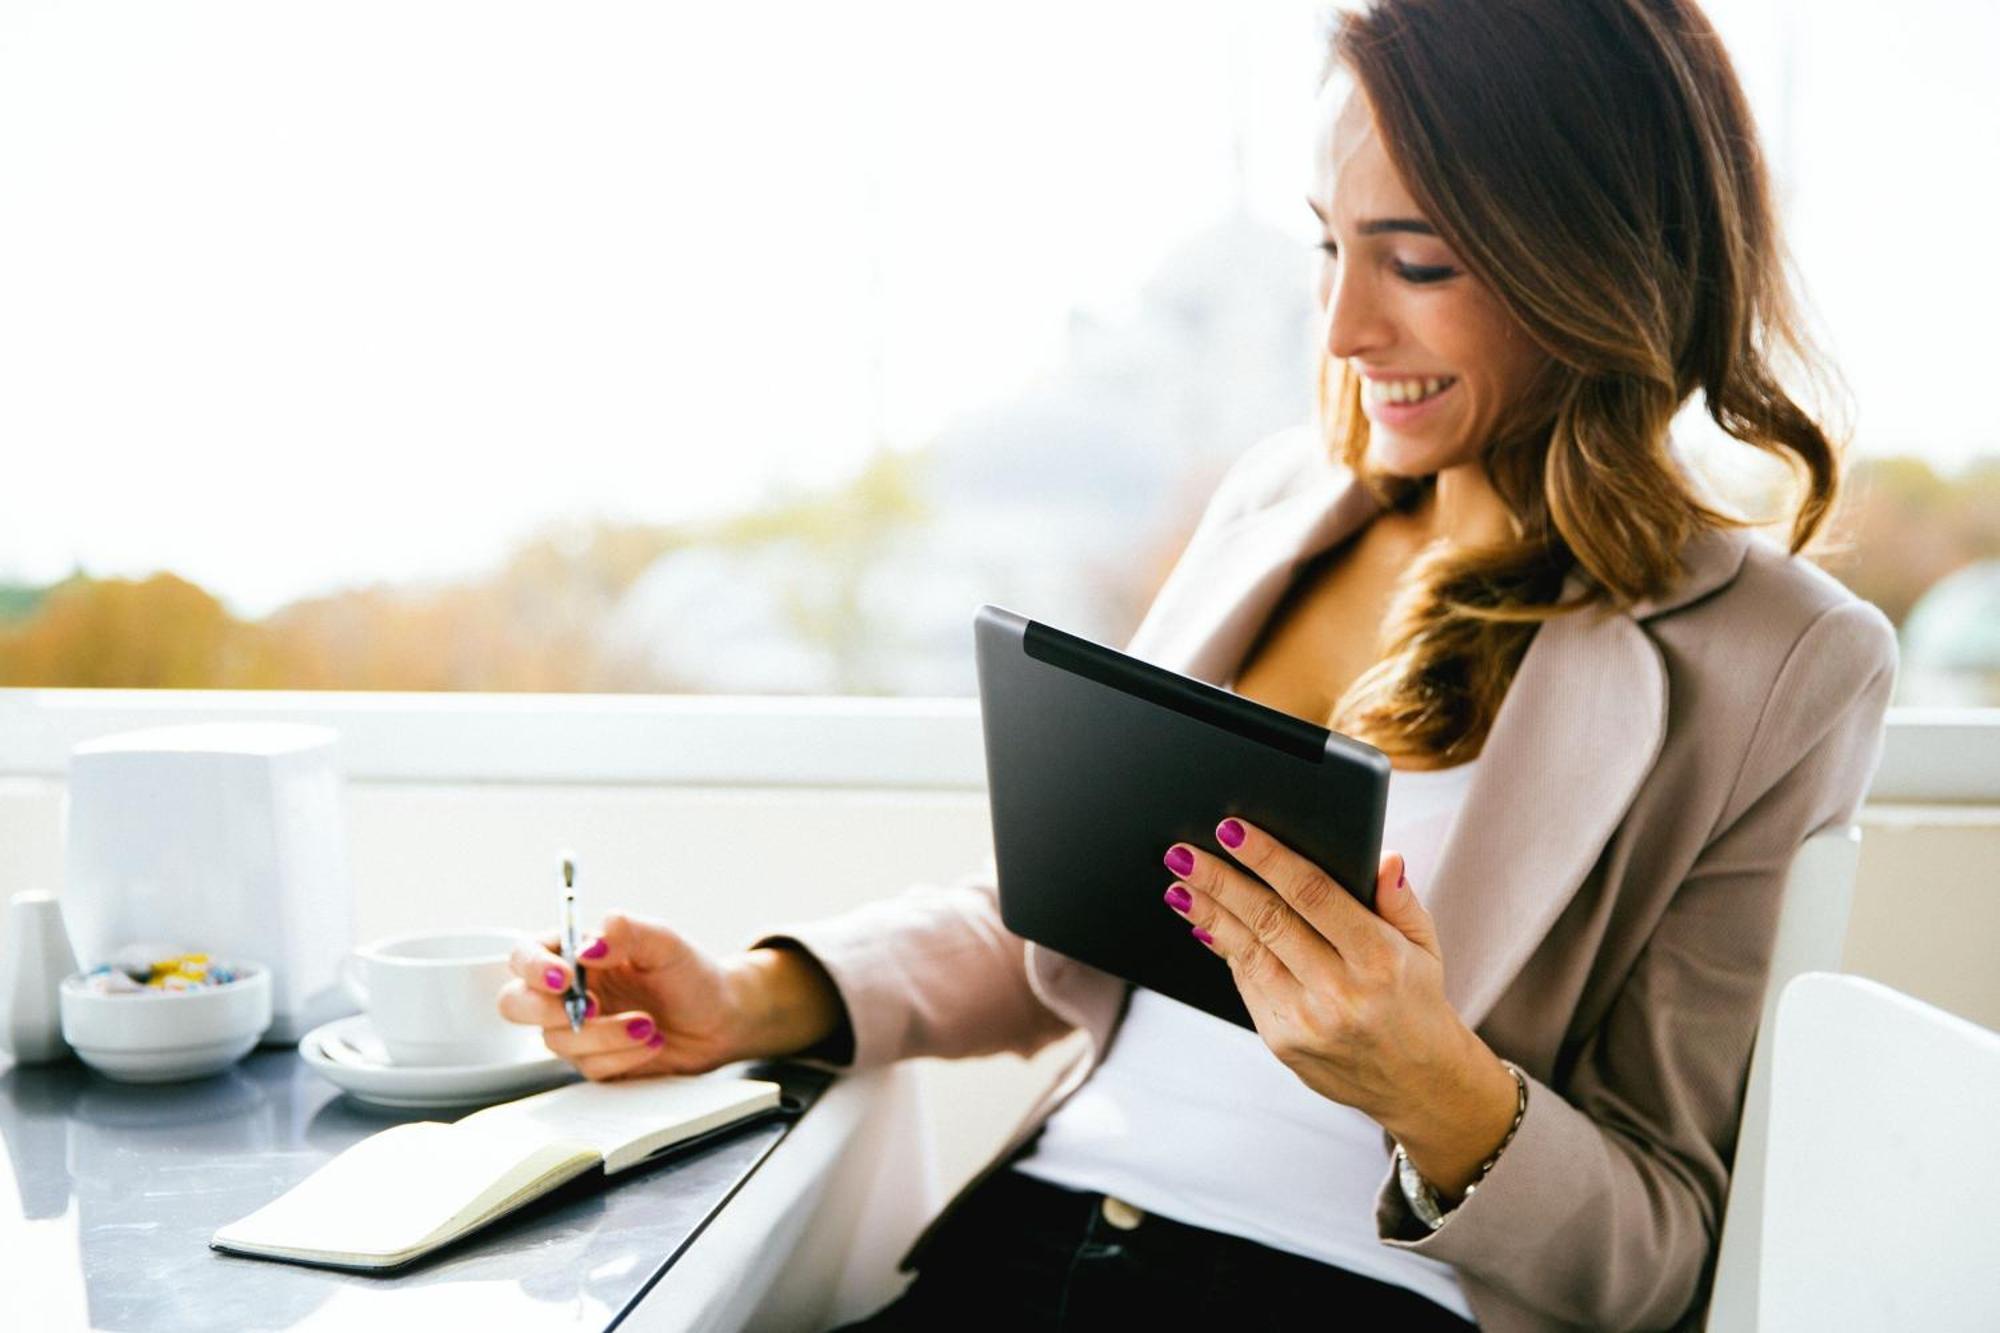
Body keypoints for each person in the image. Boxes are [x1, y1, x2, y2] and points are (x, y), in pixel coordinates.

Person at [497, 1, 1898, 1328]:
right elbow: (1082, 908)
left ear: (1593, 262)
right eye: (1327, 248)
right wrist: (748, 994)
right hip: (1039, 1237)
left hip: (1346, 1297)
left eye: (1417, 260)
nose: (1346, 329)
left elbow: (1665, 1248)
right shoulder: (1279, 506)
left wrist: (1445, 1092)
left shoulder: (1780, 662)